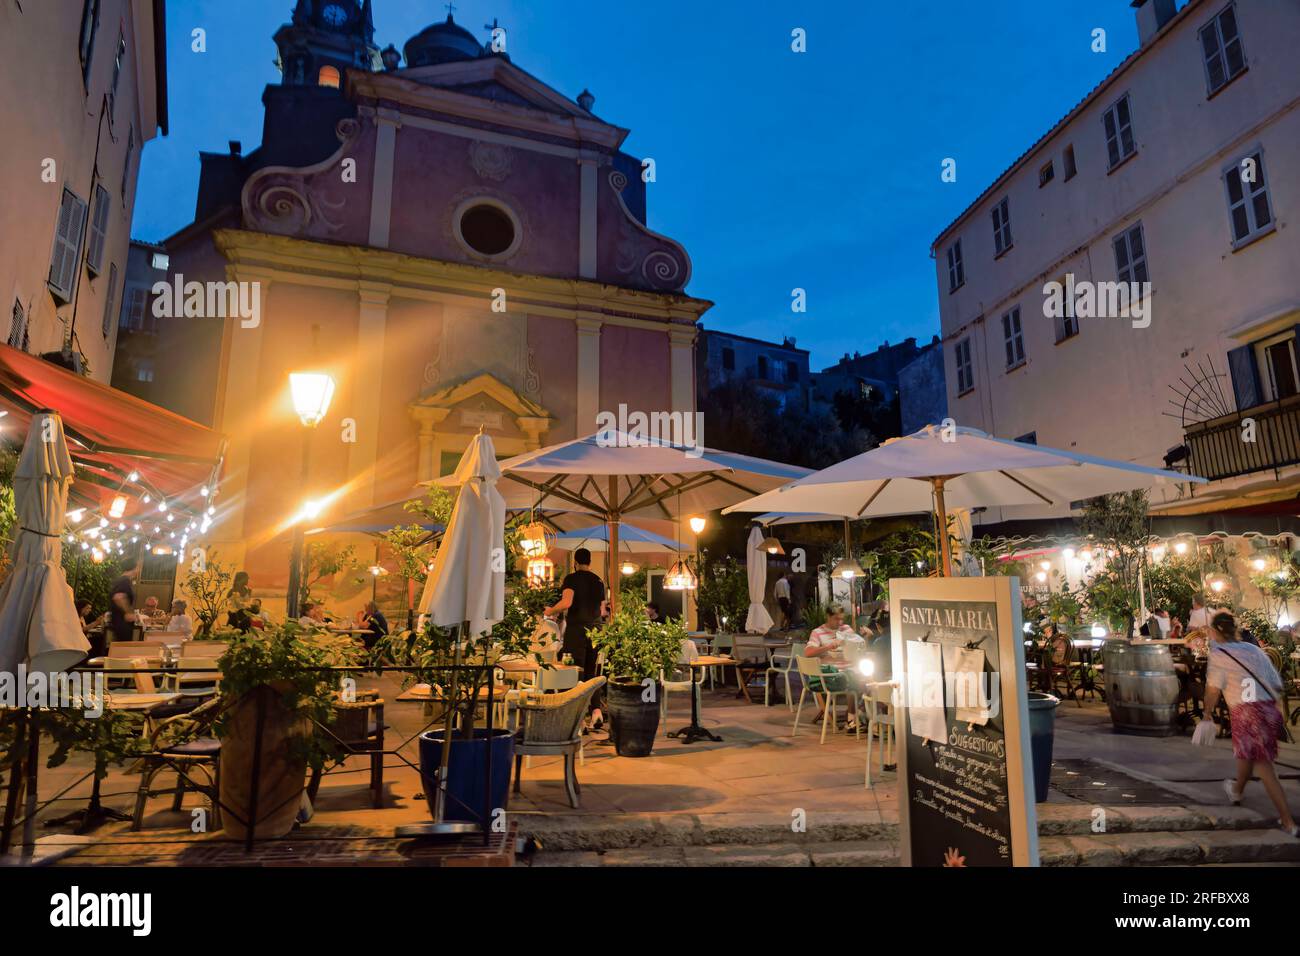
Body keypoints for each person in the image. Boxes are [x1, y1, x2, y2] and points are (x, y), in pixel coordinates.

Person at [1202, 611, 1297, 836]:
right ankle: (1236, 790)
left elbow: (1213, 689)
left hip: (1246, 713)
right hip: (1267, 709)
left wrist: (1207, 713)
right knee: (1247, 754)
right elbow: (1275, 682)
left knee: (1264, 767)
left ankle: (1288, 822)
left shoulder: (1218, 654)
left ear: (1215, 632)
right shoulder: (1254, 650)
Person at [544, 548, 607, 727]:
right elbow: (602, 610)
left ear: (575, 562)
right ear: (589, 562)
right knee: (591, 673)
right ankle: (595, 712)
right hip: (595, 631)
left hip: (577, 630)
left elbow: (567, 602)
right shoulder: (598, 580)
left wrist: (550, 610)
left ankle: (575, 719)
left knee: (573, 672)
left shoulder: (571, 579)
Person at [803, 604, 861, 727]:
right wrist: (828, 646)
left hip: (851, 666)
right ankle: (851, 719)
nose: (840, 622)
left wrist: (865, 637)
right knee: (853, 678)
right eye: (836, 619)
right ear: (828, 616)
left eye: (841, 619)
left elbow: (858, 646)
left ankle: (861, 716)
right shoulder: (818, 632)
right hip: (832, 672)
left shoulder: (846, 629)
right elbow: (808, 652)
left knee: (872, 679)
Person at [107, 563, 141, 646]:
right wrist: (128, 612)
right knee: (123, 649)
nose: (138, 571)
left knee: (119, 648)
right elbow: (118, 597)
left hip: (118, 621)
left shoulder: (120, 580)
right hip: (122, 623)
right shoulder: (125, 581)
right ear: (134, 568)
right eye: (138, 568)